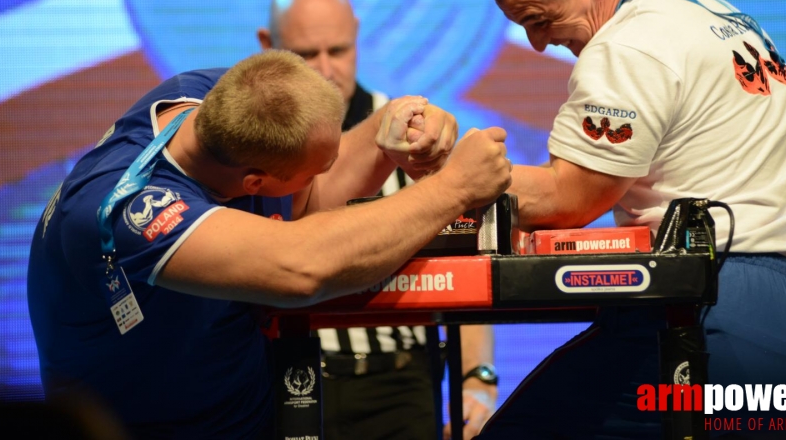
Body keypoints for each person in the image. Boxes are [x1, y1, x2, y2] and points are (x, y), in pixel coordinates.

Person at [478, 0, 786, 438]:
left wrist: (456, 180)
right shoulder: (725, 18)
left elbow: (571, 198)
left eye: (539, 19)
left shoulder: (631, 42)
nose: (538, 44)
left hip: (721, 314)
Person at [27, 49, 511, 439]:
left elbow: (308, 195)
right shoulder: (131, 213)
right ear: (254, 183)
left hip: (241, 410)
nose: (326, 172)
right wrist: (453, 189)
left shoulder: (217, 99)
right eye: (313, 170)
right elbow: (302, 267)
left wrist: (391, 123)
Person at [257, 0, 498, 440]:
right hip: (289, 377)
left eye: (339, 50)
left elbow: (464, 262)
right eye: (307, 54)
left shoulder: (414, 132)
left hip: (401, 383)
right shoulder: (257, 147)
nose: (326, 69)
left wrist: (478, 379)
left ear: (357, 36)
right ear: (268, 44)